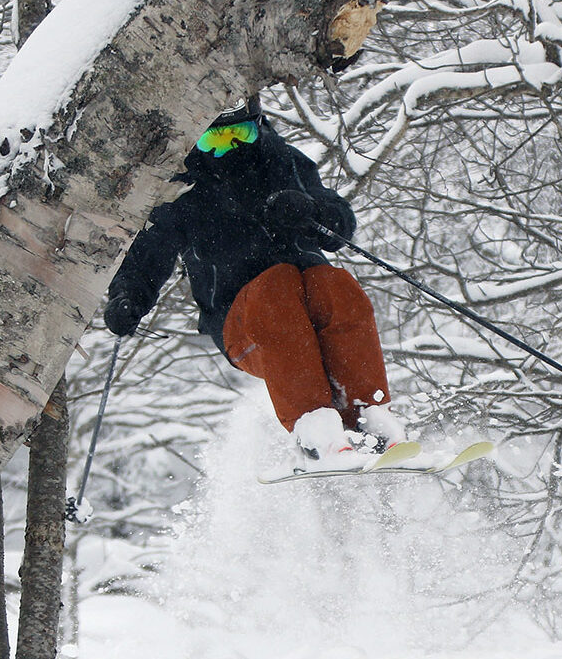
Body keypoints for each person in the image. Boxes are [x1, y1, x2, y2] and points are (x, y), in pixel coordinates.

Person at [103, 96, 405, 465]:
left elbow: (339, 225)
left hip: (310, 302)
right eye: (212, 140)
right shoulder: (181, 188)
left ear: (257, 126)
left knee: (335, 284)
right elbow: (148, 253)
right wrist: (128, 296)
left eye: (239, 134)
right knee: (276, 286)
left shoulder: (284, 162)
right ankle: (315, 429)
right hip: (244, 321)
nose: (228, 148)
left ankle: (367, 417)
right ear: (194, 138)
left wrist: (311, 211)